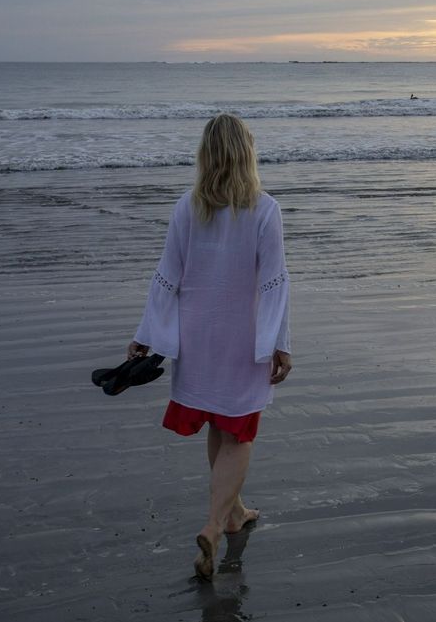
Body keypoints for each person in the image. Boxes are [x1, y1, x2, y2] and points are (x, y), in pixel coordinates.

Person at [127, 114, 292, 580]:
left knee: (219, 425)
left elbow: (166, 277)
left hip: (196, 336)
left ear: (206, 155)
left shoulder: (187, 207)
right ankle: (215, 525)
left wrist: (145, 333)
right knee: (239, 430)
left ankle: (234, 512)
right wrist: (280, 343)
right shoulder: (265, 209)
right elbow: (276, 284)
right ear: (247, 153)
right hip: (245, 337)